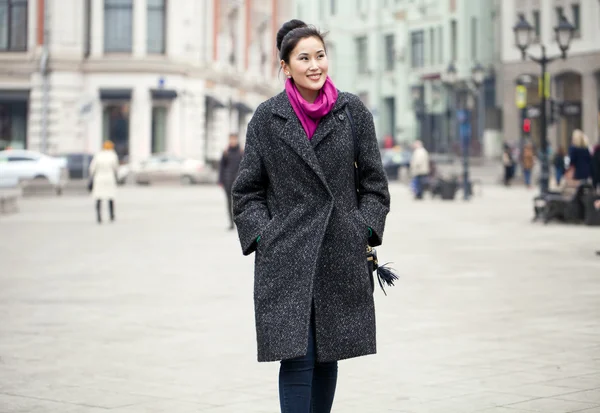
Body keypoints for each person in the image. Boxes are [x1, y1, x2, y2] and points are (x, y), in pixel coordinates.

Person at [231, 19, 390, 413]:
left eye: (320, 55)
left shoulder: (352, 112)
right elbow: (246, 191)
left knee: (327, 354)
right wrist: (266, 238)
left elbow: (375, 184)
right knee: (297, 356)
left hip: (340, 250)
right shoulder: (267, 119)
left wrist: (362, 229)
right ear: (286, 66)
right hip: (288, 255)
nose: (315, 65)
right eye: (304, 58)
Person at [218, 133, 243, 230]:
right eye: (231, 139)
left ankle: (239, 223)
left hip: (238, 182)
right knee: (229, 203)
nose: (232, 141)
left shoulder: (241, 152)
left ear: (237, 140)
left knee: (238, 204)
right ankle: (231, 223)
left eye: (234, 139)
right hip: (227, 182)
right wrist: (220, 180)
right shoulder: (225, 152)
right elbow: (221, 167)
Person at [89, 140, 119, 223]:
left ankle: (99, 216)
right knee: (110, 197)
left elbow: (92, 168)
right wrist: (116, 176)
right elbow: (116, 168)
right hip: (109, 178)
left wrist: (93, 176)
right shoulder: (113, 155)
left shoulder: (98, 155)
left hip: (99, 178)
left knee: (98, 197)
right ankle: (111, 215)